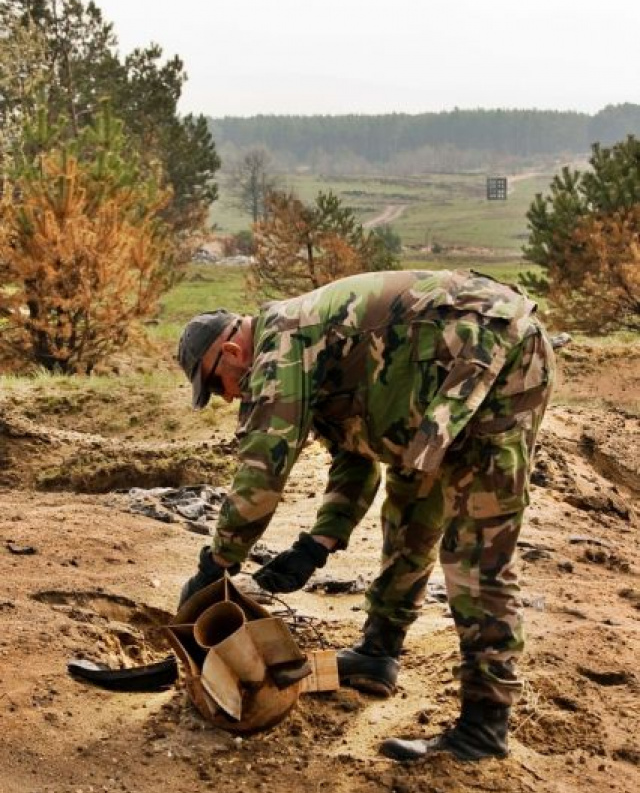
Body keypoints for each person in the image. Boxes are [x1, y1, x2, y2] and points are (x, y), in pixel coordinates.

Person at [176, 270, 555, 762]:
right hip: (448, 379)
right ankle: (379, 652)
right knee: (412, 508)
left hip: (497, 360)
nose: (228, 397)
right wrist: (317, 544)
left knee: (475, 552)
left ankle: (484, 726)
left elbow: (262, 472)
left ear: (230, 352)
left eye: (217, 383)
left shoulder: (281, 345)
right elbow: (355, 461)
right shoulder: (309, 352)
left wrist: (216, 565)